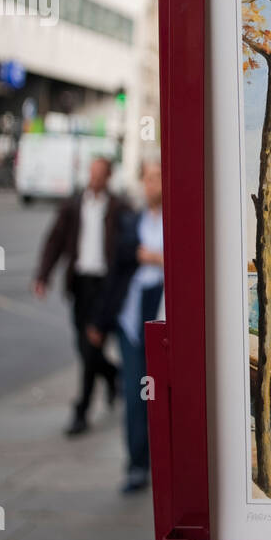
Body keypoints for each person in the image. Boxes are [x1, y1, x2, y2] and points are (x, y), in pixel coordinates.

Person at [33, 156, 129, 436]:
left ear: (108, 177)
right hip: (80, 284)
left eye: (100, 174)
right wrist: (43, 276)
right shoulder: (74, 205)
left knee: (90, 346)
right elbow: (55, 241)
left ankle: (81, 412)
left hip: (105, 286)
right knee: (83, 345)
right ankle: (113, 375)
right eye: (92, 173)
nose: (94, 178)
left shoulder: (118, 208)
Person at [92, 159, 164, 493]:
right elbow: (118, 265)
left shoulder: (178, 220)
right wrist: (100, 322)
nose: (155, 184)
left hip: (164, 314)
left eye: (160, 176)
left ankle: (167, 465)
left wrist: (152, 257)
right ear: (142, 183)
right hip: (133, 319)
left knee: (164, 396)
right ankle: (137, 464)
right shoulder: (132, 220)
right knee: (137, 396)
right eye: (150, 178)